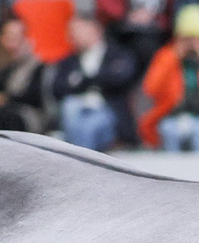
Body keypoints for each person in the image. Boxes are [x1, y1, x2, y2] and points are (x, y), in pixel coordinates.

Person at [140, 4, 199, 151]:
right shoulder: (166, 55)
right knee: (169, 131)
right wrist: (174, 57)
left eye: (197, 39)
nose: (192, 44)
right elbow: (150, 88)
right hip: (171, 118)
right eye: (187, 38)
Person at [44, 11, 140, 151]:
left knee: (91, 125)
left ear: (94, 29)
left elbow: (122, 79)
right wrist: (95, 80)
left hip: (107, 111)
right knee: (71, 107)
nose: (72, 35)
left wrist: (82, 80)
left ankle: (78, 160)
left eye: (77, 30)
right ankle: (83, 161)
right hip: (75, 113)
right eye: (71, 31)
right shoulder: (68, 62)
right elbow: (58, 89)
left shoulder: (117, 55)